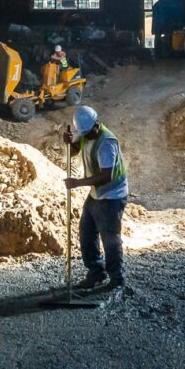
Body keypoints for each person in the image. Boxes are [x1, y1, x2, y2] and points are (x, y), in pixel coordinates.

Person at [63, 105, 129, 291]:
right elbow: (75, 149)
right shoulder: (87, 134)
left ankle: (117, 279)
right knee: (87, 232)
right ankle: (96, 272)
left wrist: (78, 183)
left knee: (110, 238)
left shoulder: (106, 143)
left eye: (87, 133)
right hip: (97, 194)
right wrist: (68, 143)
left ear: (96, 125)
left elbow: (105, 176)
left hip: (112, 196)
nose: (85, 136)